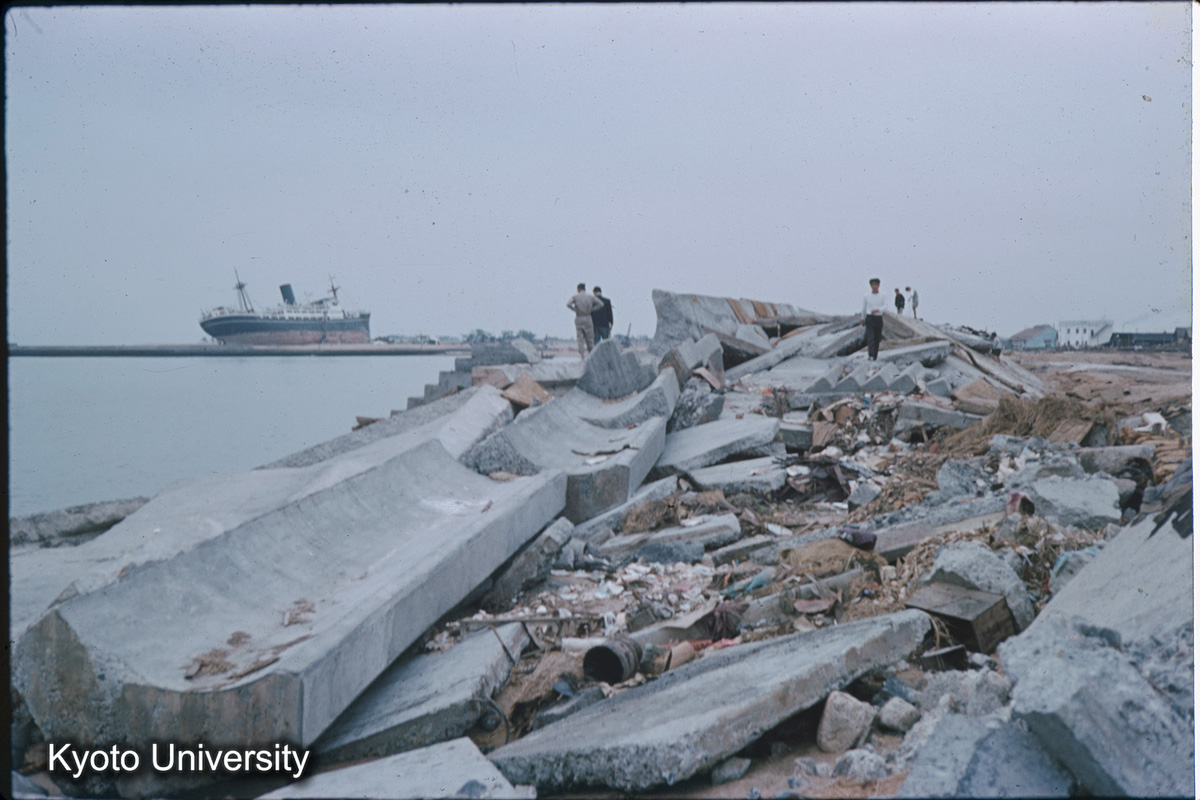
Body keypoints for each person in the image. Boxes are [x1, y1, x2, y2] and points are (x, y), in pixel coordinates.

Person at [567, 283, 601, 358]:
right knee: (590, 338)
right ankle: (592, 355)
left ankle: (582, 355)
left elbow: (568, 304)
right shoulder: (590, 297)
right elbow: (600, 304)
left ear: (578, 289)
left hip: (579, 317)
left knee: (580, 337)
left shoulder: (575, 297)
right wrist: (592, 309)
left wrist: (575, 310)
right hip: (588, 317)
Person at [861, 278, 887, 360]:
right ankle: (870, 355)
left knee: (877, 338)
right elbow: (864, 308)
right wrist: (862, 318)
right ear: (870, 286)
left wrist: (878, 310)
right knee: (870, 337)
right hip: (870, 318)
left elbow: (885, 306)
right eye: (873, 285)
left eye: (876, 284)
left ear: (879, 285)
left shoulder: (883, 295)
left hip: (878, 317)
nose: (874, 286)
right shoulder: (866, 296)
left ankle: (875, 356)